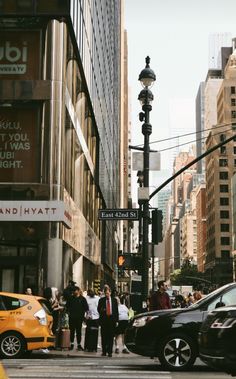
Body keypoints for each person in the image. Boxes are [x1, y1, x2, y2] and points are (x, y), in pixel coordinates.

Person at [97, 286, 118, 357]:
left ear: (110, 293)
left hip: (111, 320)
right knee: (104, 336)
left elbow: (116, 311)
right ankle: (104, 351)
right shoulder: (101, 300)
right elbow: (98, 309)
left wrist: (116, 321)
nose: (107, 295)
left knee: (111, 337)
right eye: (106, 293)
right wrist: (102, 310)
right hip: (104, 320)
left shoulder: (114, 300)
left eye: (108, 293)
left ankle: (110, 352)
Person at [67, 286, 89, 351]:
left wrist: (85, 316)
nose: (74, 292)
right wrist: (69, 313)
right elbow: (67, 307)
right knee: (72, 331)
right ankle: (72, 344)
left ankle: (79, 344)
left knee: (79, 331)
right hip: (72, 318)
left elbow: (86, 308)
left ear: (78, 291)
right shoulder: (71, 298)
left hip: (79, 318)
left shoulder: (82, 299)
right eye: (73, 291)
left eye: (75, 290)